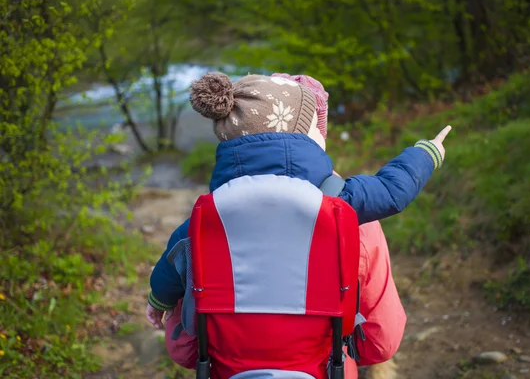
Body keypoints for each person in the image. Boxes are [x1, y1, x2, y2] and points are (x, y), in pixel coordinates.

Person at [146, 72, 452, 378]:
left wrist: (158, 300)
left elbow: (169, 268)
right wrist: (425, 153)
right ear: (306, 135)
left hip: (228, 369)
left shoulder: (209, 218)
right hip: (322, 369)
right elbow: (392, 191)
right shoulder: (340, 207)